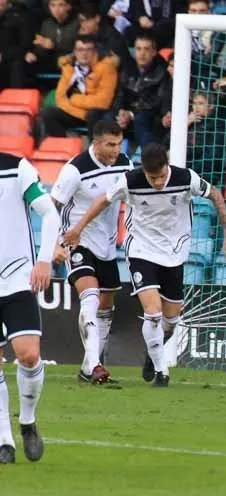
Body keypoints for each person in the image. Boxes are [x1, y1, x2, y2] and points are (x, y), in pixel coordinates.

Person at [62, 144, 226, 387]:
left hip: (174, 253)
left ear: (167, 166)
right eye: (151, 177)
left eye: (160, 176)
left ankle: (151, 354)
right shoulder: (130, 181)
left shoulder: (186, 178)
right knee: (153, 312)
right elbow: (102, 201)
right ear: (143, 171)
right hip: (141, 250)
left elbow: (216, 194)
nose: (157, 182)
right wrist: (78, 229)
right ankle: (161, 371)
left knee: (170, 321)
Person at [50, 121, 133, 385]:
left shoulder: (125, 164)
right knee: (91, 299)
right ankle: (95, 365)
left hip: (107, 247)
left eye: (119, 144)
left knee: (107, 307)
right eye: (110, 144)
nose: (115, 149)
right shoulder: (75, 170)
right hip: (77, 242)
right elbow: (52, 207)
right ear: (95, 143)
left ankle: (90, 366)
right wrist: (53, 244)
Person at [0, 152, 60, 464]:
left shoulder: (16, 168)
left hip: (16, 279)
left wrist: (44, 259)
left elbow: (49, 214)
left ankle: (27, 421)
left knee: (29, 355)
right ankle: (3, 440)